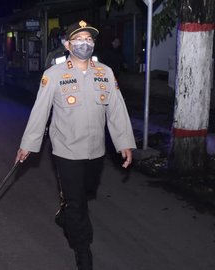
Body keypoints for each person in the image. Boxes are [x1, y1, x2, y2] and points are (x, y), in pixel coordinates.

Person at [15, 20, 136, 269]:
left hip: (96, 150)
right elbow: (40, 112)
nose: (85, 43)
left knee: (86, 192)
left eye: (89, 39)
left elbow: (116, 110)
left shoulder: (105, 72)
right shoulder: (54, 75)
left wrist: (124, 142)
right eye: (79, 39)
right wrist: (28, 144)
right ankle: (83, 250)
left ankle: (66, 209)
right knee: (78, 203)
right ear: (67, 45)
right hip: (66, 149)